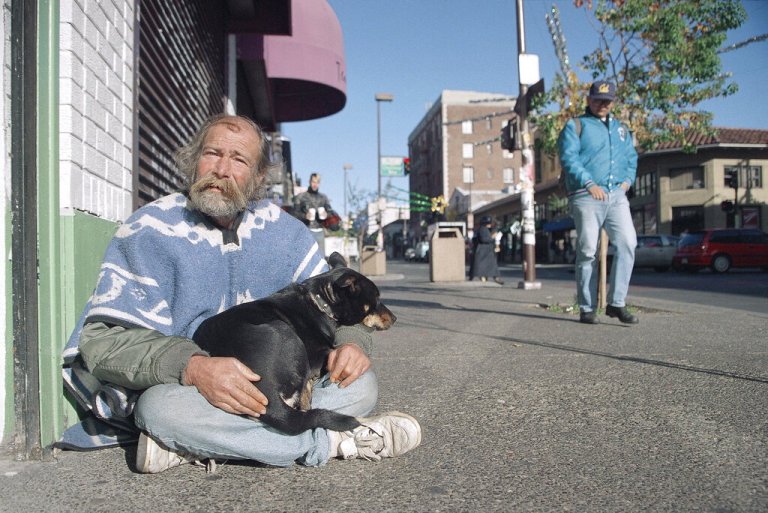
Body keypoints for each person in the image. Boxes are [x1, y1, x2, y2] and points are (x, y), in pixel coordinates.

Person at [61, 114, 421, 473]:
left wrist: (352, 342)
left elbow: (340, 303)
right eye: (212, 153)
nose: (221, 169)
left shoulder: (288, 235)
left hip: (287, 389)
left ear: (259, 176)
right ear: (193, 160)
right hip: (196, 392)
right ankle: (334, 441)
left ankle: (196, 444)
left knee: (362, 384)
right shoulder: (147, 231)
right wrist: (193, 367)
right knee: (158, 410)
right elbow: (102, 343)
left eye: (239, 159)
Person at [558, 80, 639, 325]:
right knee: (587, 250)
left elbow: (631, 158)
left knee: (628, 243)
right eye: (597, 99)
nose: (602, 104)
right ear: (588, 100)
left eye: (607, 100)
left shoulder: (622, 129)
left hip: (616, 195)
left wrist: (627, 181)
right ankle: (586, 306)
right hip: (586, 195)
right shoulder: (576, 126)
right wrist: (588, 184)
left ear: (613, 102)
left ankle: (617, 303)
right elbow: (569, 158)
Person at [293, 173, 337, 255]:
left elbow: (331, 212)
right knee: (306, 256)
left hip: (320, 232)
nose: (315, 184)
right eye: (313, 182)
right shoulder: (301, 197)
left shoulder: (323, 198)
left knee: (321, 258)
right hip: (306, 231)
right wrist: (305, 216)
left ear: (319, 183)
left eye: (317, 182)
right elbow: (294, 215)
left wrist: (326, 215)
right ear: (309, 181)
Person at [468, 216, 503, 284]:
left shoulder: (482, 229)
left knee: (487, 265)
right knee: (488, 265)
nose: (490, 224)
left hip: (485, 251)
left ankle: (493, 278)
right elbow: (484, 239)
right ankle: (493, 278)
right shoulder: (483, 229)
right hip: (484, 251)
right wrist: (492, 237)